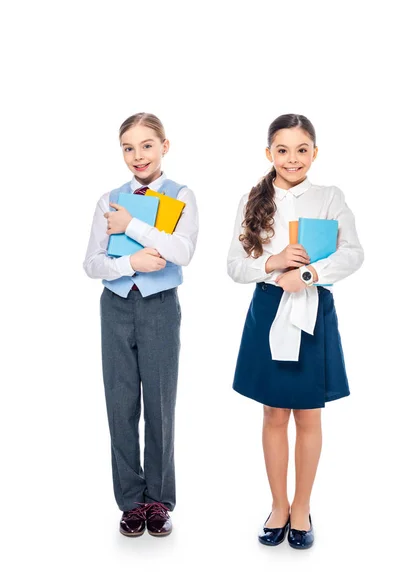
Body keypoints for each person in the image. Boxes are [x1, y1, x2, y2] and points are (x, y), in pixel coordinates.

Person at [227, 113, 364, 549]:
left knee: (308, 414)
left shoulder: (329, 197)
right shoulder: (253, 198)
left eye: (302, 149)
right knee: (272, 414)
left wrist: (305, 276)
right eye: (282, 150)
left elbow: (354, 253)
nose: (292, 158)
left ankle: (302, 506)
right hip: (267, 311)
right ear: (269, 153)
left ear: (315, 153)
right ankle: (278, 505)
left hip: (312, 310)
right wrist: (274, 261)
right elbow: (234, 266)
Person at [83, 112, 199, 537]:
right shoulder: (108, 198)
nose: (138, 155)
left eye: (147, 145)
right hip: (115, 307)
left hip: (160, 308)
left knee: (160, 405)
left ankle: (159, 500)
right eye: (128, 147)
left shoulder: (180, 194)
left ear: (164, 147)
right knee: (121, 403)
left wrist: (131, 226)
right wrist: (129, 262)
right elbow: (92, 264)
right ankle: (131, 501)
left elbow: (182, 252)